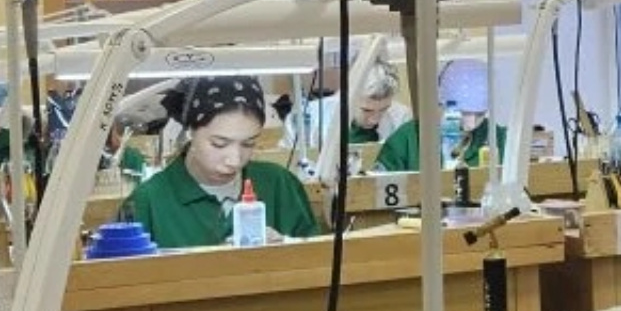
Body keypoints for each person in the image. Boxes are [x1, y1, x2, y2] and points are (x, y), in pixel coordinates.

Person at [120, 75, 319, 248]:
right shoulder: (148, 203)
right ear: (190, 131)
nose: (235, 160)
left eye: (248, 144)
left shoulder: (280, 185)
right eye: (219, 144)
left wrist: (286, 246)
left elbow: (320, 261)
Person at [374, 59, 505, 171]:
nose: (470, 125)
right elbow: (378, 187)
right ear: (439, 103)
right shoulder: (407, 140)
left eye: (480, 114)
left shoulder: (499, 138)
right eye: (463, 113)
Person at [284, 58, 412, 151]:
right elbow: (290, 166)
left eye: (384, 109)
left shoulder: (402, 118)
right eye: (367, 110)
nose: (374, 119)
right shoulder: (306, 120)